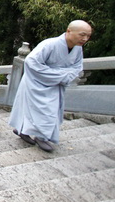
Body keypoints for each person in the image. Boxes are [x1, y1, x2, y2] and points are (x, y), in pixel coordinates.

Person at [9, 20, 92, 152]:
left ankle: (40, 136)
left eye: (88, 36)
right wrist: (60, 75)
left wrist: (61, 77)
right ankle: (27, 132)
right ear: (69, 31)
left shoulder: (77, 49)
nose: (85, 39)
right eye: (82, 35)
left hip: (55, 85)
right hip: (36, 83)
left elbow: (77, 67)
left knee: (50, 111)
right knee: (36, 110)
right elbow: (31, 62)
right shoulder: (50, 44)